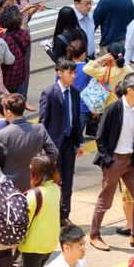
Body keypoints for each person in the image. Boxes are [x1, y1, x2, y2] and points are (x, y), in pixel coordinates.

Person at [89, 73, 134, 252]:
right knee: (105, 199)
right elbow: (100, 138)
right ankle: (94, 234)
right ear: (129, 90)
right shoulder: (114, 109)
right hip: (114, 160)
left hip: (132, 161)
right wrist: (108, 160)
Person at [38, 58, 86, 220]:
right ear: (59, 74)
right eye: (69, 73)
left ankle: (64, 214)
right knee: (53, 180)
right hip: (53, 144)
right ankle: (52, 213)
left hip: (69, 142)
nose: (73, 76)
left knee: (68, 179)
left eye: (74, 73)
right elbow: (43, 122)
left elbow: (76, 119)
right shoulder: (49, 93)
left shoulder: (75, 92)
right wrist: (42, 146)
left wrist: (79, 141)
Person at [19, 154, 63, 267]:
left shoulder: (34, 195)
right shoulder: (55, 189)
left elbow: (24, 222)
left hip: (33, 244)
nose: (29, 168)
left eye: (32, 167)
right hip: (50, 242)